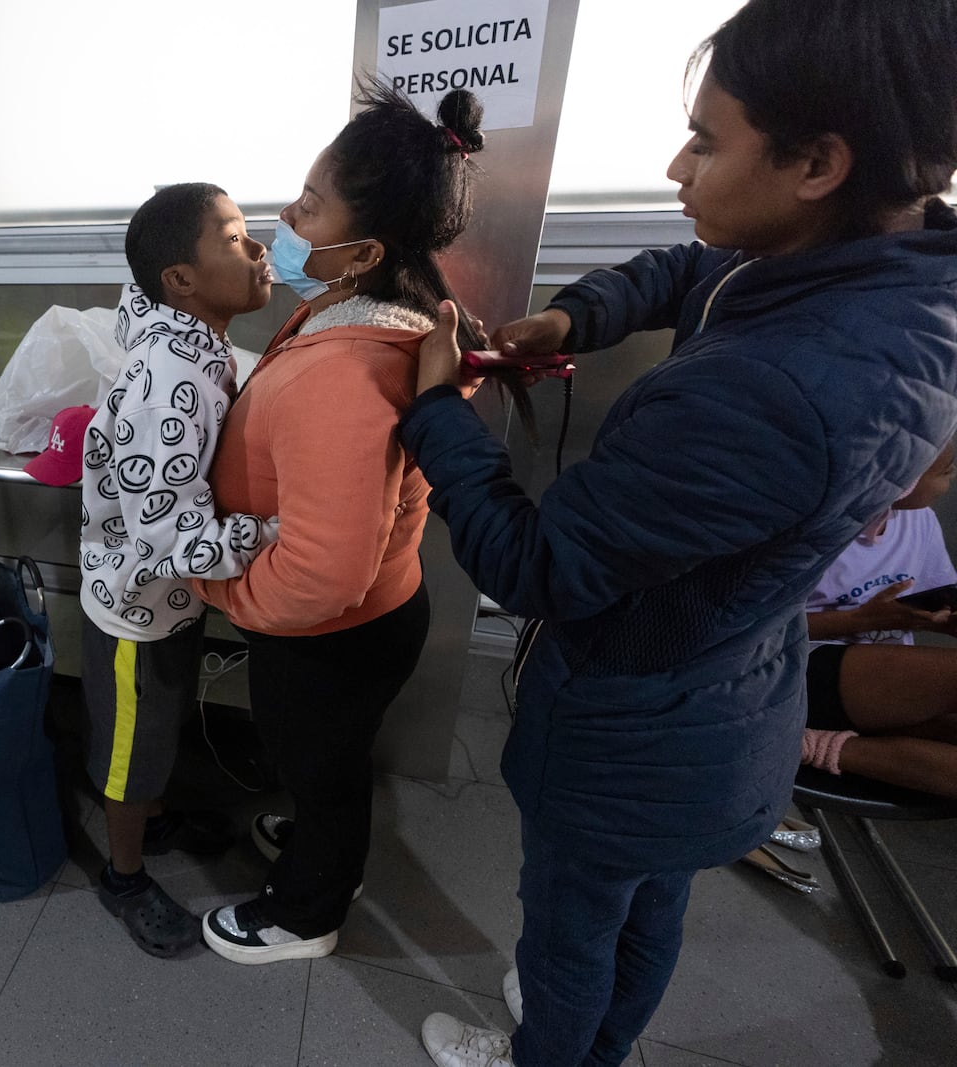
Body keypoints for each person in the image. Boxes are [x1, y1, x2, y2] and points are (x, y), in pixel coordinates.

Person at [400, 2, 957, 1064]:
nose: (675, 165)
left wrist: (436, 413)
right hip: (727, 698)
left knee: (570, 929)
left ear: (816, 162)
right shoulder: (879, 269)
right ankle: (591, 1036)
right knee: (646, 905)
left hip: (633, 732)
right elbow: (692, 272)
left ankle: (547, 1050)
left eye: (706, 140)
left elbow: (539, 565)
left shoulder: (771, 392)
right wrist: (571, 317)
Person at [194, 83, 489, 965]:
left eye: (310, 205)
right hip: (367, 616)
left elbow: (323, 574)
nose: (285, 215)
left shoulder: (347, 371)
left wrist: (225, 588)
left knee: (319, 764)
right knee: (331, 763)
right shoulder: (368, 312)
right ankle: (332, 849)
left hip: (325, 629)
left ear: (364, 247)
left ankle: (304, 914)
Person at [78, 182, 280, 957]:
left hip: (168, 599)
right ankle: (123, 872)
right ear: (180, 280)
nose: (258, 248)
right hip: (137, 606)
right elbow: (168, 534)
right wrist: (279, 532)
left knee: (156, 728)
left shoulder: (196, 345)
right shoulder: (172, 376)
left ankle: (155, 822)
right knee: (132, 744)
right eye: (232, 239)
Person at [798, 438, 957, 799]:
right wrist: (860, 620)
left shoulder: (919, 523)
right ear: (904, 477)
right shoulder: (816, 529)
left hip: (873, 690)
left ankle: (808, 745)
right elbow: (752, 628)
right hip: (798, 667)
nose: (952, 479)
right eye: (946, 471)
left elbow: (936, 594)